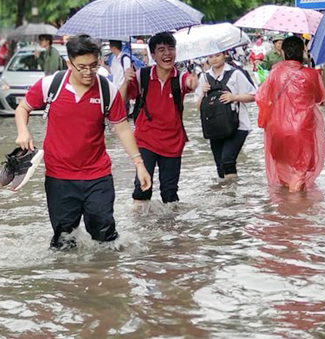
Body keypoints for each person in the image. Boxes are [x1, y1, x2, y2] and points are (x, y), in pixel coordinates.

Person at [15, 35, 151, 249]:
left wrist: (139, 164)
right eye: (82, 67)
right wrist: (23, 131)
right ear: (69, 63)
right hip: (59, 177)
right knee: (64, 241)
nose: (88, 72)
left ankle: (105, 278)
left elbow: (122, 127)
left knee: (105, 238)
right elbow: (22, 108)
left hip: (98, 176)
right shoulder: (51, 86)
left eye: (93, 66)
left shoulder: (108, 90)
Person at [125, 32, 198, 204]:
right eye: (161, 50)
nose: (167, 54)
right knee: (142, 189)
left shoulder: (180, 77)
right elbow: (120, 105)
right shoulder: (141, 76)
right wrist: (125, 81)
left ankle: (170, 230)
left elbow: (189, 83)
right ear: (153, 55)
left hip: (173, 143)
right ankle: (141, 229)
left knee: (170, 194)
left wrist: (193, 83)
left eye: (171, 48)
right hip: (145, 140)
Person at [255, 36, 325, 192]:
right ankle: (297, 211)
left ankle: (283, 210)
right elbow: (321, 98)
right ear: (303, 51)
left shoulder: (274, 73)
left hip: (276, 130)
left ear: (283, 52)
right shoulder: (312, 74)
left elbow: (261, 97)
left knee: (283, 174)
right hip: (302, 130)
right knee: (299, 174)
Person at [195, 52, 257, 180]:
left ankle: (233, 196)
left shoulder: (236, 74)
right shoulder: (204, 78)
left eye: (217, 55)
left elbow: (254, 96)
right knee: (220, 165)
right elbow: (198, 106)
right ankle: (226, 196)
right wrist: (203, 92)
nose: (214, 59)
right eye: (210, 56)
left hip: (238, 125)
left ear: (224, 55)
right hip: (214, 126)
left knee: (227, 160)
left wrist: (234, 97)